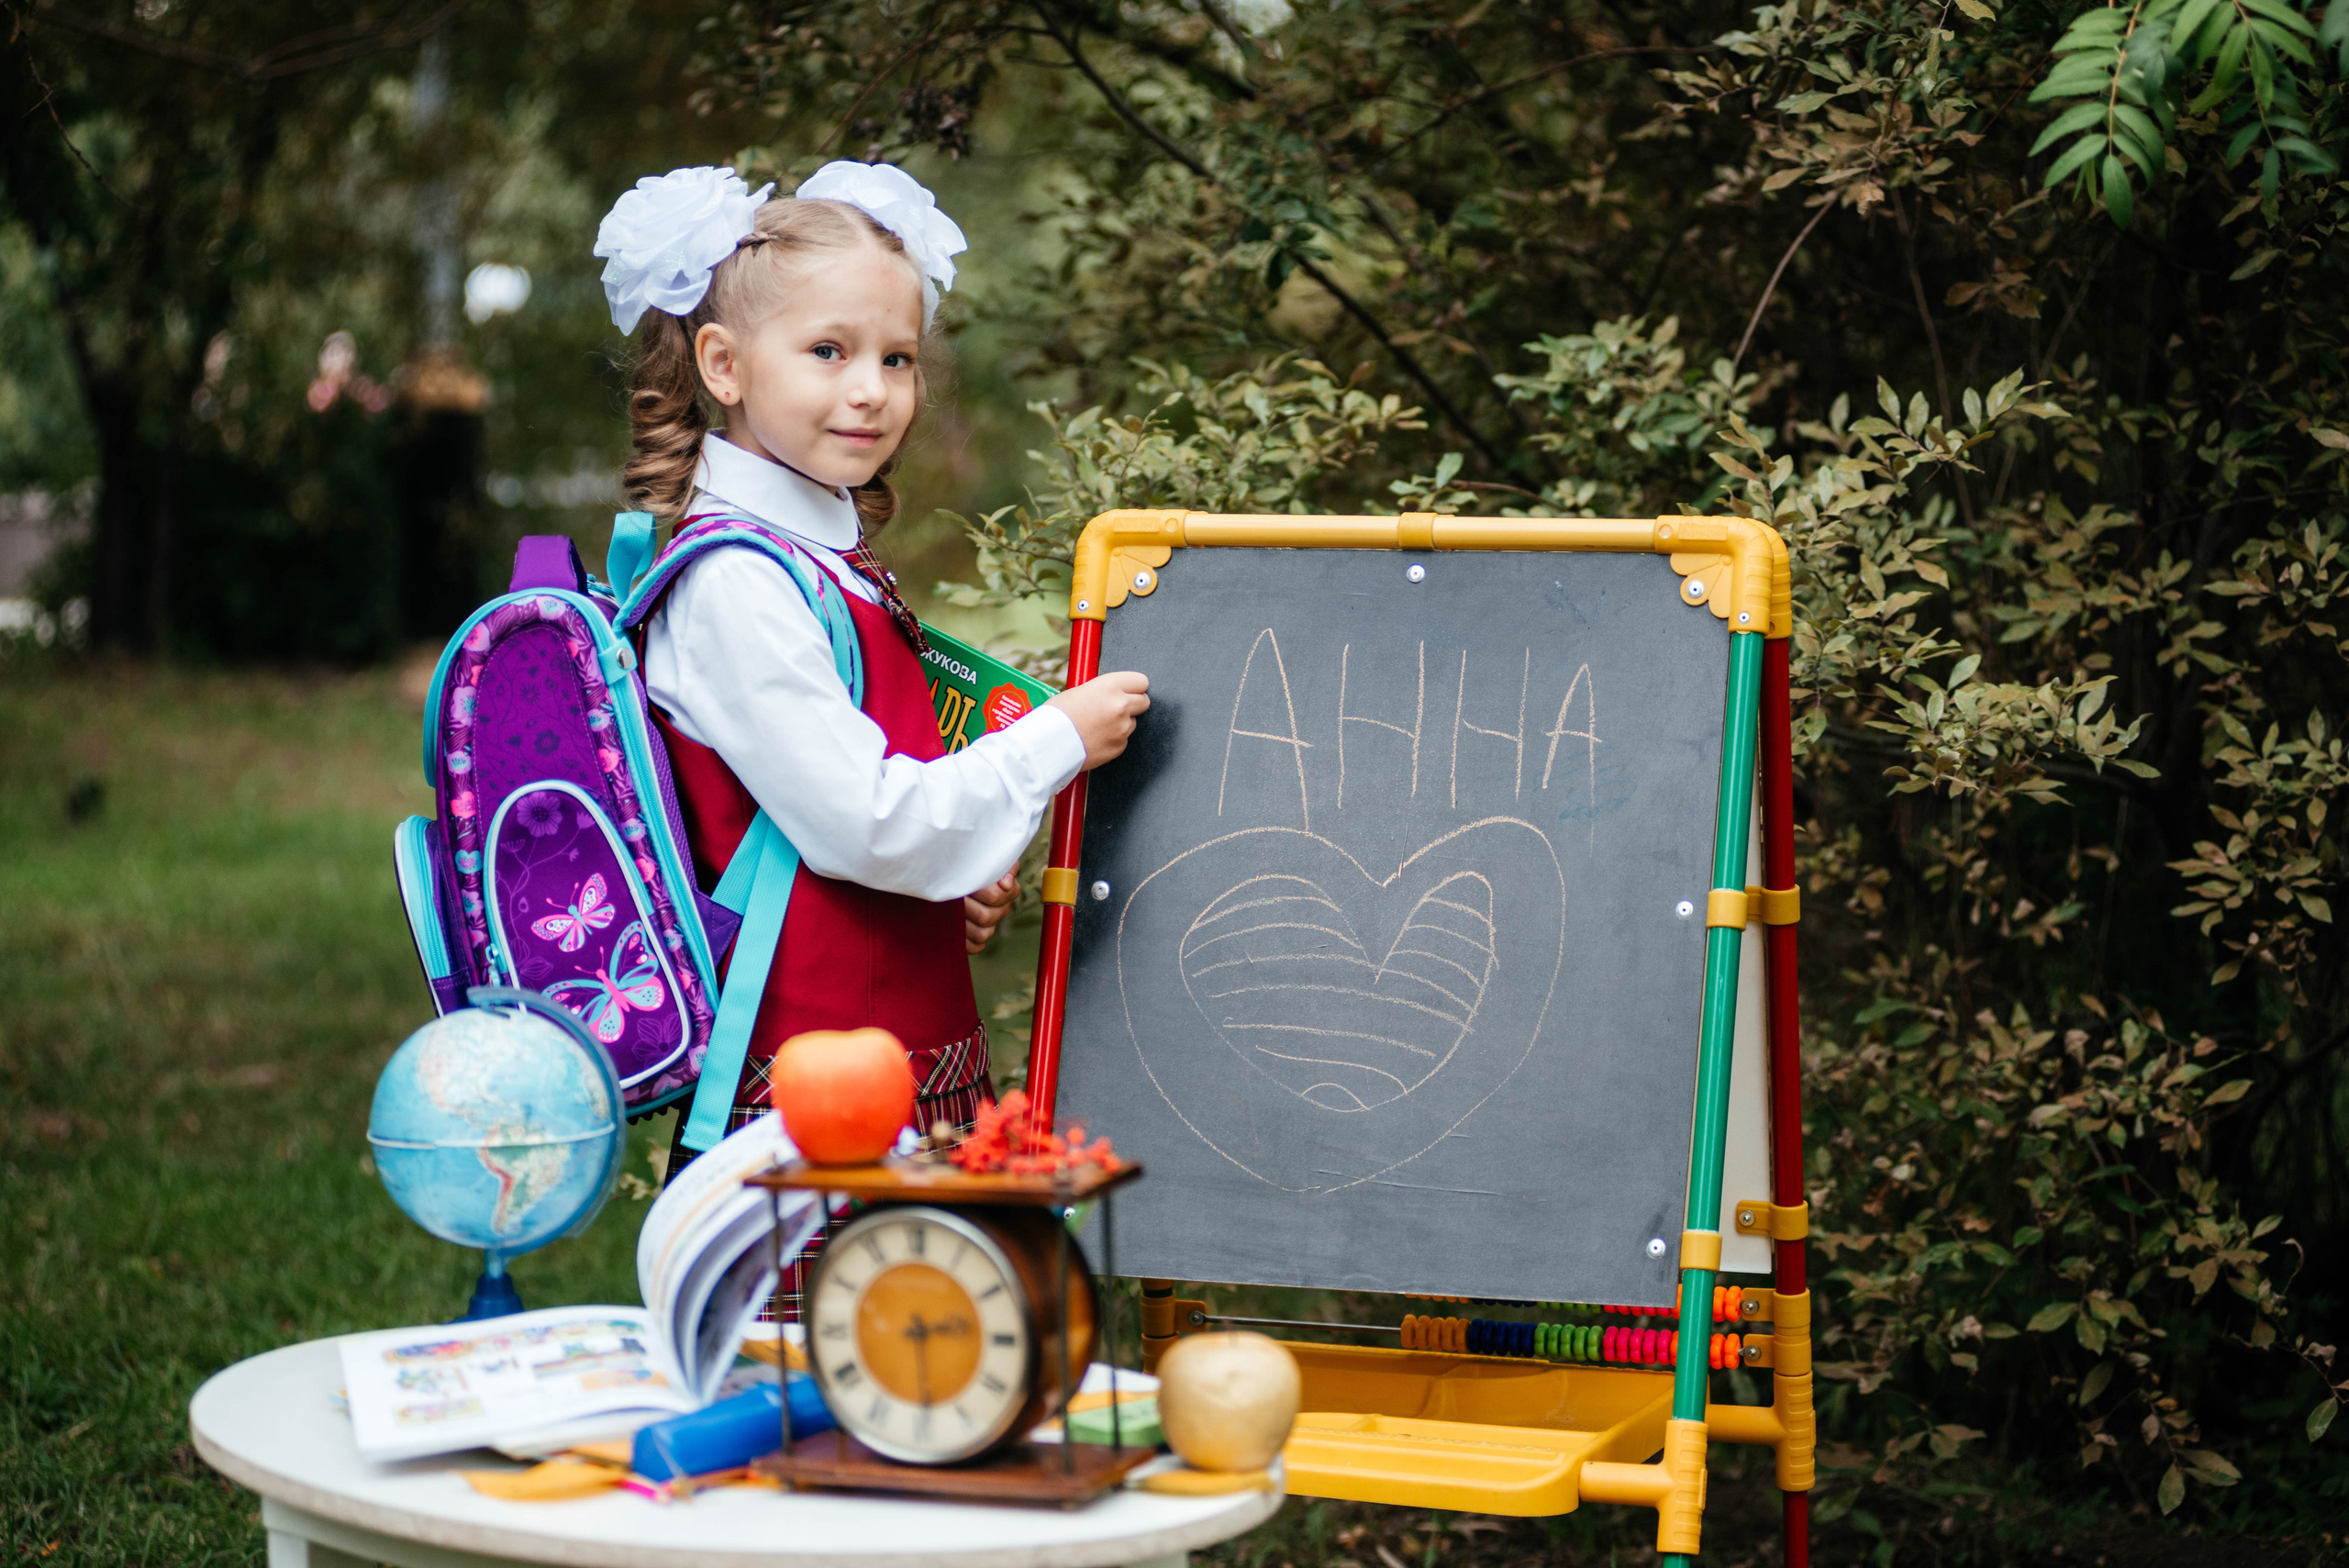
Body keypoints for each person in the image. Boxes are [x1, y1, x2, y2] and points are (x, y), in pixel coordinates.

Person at [593, 162, 1149, 1308]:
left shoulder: (810, 559)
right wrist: (1053, 740)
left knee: (918, 1357)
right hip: (812, 1070)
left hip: (891, 1042)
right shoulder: (739, 582)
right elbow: (864, 819)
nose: (872, 390)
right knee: (819, 1371)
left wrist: (945, 883)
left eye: (896, 358)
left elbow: (845, 806)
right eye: (829, 352)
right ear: (723, 367)